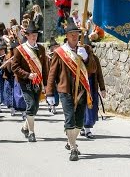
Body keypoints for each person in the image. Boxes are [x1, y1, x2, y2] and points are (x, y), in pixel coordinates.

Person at [46, 17, 97, 161]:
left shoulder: (85, 49)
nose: (74, 36)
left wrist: (86, 58)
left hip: (82, 90)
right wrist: (49, 92)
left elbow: (93, 69)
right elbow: (52, 73)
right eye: (71, 34)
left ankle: (70, 140)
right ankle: (73, 148)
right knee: (70, 119)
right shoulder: (60, 52)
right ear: (67, 36)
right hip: (65, 90)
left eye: (76, 34)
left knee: (79, 121)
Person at [12, 21, 48, 142]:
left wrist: (47, 84)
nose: (34, 36)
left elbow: (45, 67)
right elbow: (15, 67)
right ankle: (32, 133)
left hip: (38, 82)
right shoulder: (20, 49)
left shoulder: (41, 49)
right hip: (25, 81)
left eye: (36, 34)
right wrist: (28, 75)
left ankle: (25, 127)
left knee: (35, 107)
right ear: (27, 35)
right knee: (31, 104)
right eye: (32, 34)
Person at [80, 35, 106, 139]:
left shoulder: (95, 59)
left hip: (92, 86)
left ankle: (87, 129)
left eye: (89, 47)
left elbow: (99, 74)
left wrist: (102, 88)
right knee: (81, 107)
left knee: (90, 108)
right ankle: (81, 126)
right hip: (81, 88)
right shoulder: (77, 58)